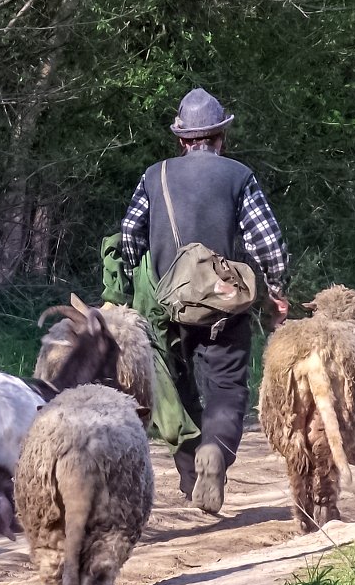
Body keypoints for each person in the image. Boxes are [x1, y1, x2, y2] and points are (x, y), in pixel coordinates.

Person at [118, 88, 289, 514]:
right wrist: (278, 291)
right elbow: (267, 243)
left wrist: (128, 285)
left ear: (181, 139)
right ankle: (215, 451)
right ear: (220, 137)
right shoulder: (238, 175)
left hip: (166, 305)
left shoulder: (153, 175)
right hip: (224, 307)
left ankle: (192, 471)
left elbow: (128, 235)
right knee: (227, 389)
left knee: (175, 392)